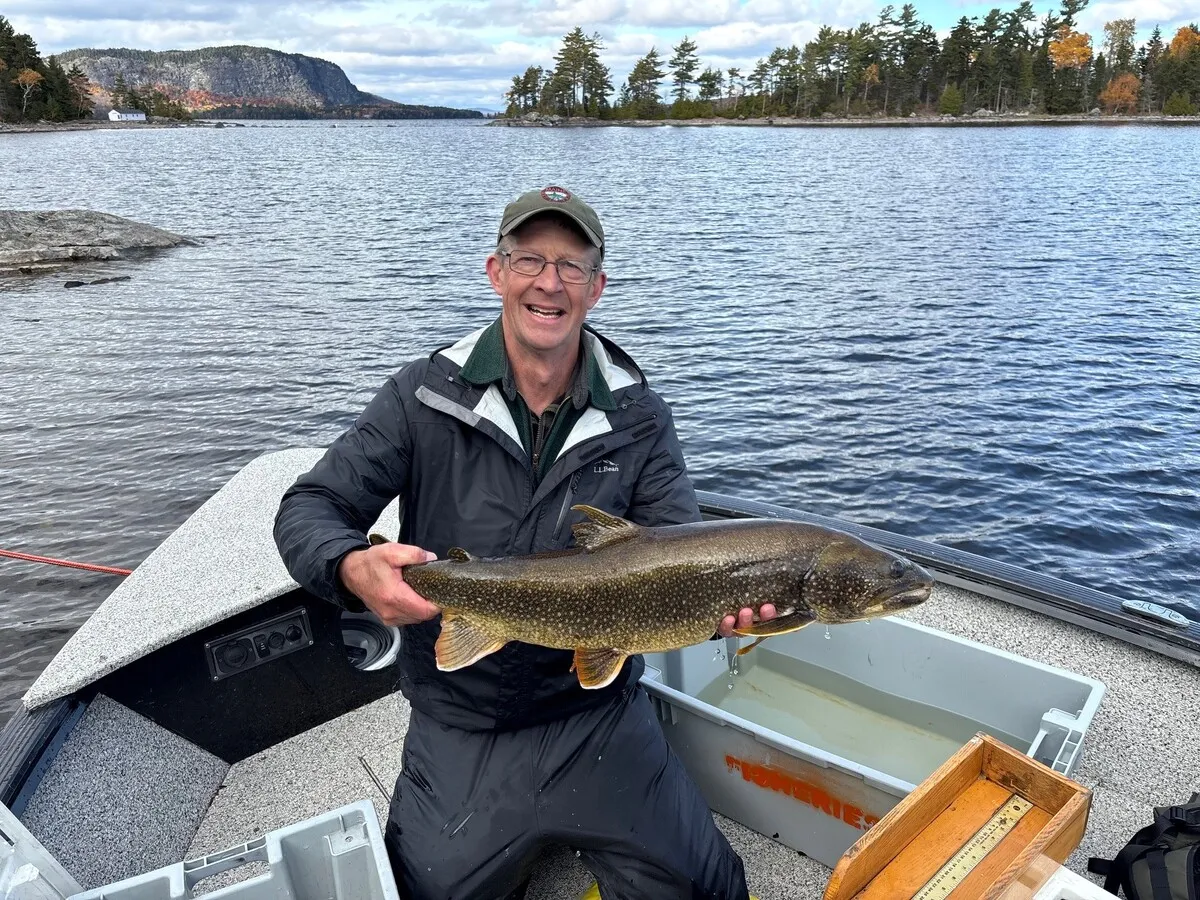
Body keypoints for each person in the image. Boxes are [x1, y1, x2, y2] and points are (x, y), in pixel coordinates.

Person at [273, 185, 773, 900]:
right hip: (462, 714)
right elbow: (310, 506)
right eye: (529, 259)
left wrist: (727, 601)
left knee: (708, 890)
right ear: (495, 271)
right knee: (427, 893)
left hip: (595, 711)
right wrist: (352, 565)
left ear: (597, 287)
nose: (549, 281)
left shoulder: (639, 415)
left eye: (572, 266)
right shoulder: (423, 396)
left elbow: (678, 550)